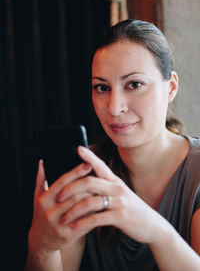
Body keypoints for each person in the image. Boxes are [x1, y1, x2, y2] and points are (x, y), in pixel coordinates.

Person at [25, 19, 200, 271]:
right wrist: (40, 248)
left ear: (171, 87)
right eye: (102, 87)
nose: (114, 108)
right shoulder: (84, 170)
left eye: (134, 84)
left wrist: (157, 231)